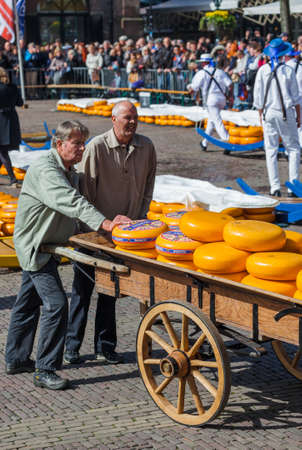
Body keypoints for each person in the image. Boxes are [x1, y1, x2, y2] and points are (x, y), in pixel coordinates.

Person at [5, 120, 130, 390]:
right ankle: (45, 369)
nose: (82, 148)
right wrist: (106, 224)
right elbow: (71, 201)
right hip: (35, 246)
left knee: (27, 303)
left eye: (84, 142)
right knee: (56, 303)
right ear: (59, 144)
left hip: (50, 244)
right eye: (77, 143)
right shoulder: (46, 169)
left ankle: (15, 358)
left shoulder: (68, 170)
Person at [64, 101, 157, 365]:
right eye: (127, 117)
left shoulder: (146, 147)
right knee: (82, 290)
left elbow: (149, 183)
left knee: (110, 292)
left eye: (135, 117)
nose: (132, 122)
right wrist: (98, 225)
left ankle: (105, 346)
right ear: (113, 119)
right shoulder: (96, 147)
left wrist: (141, 217)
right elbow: (86, 192)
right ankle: (72, 346)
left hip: (127, 235)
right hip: (93, 232)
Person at [253, 38, 301, 197]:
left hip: (268, 113)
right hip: (285, 112)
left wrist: (261, 116)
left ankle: (274, 187)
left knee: (271, 150)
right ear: (283, 54)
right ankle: (292, 185)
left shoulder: (262, 70)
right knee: (293, 148)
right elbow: (296, 97)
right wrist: (299, 116)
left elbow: (258, 98)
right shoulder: (288, 71)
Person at [188, 54, 232, 152]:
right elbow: (230, 84)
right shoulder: (220, 72)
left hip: (211, 100)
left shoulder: (201, 73)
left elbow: (194, 87)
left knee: (217, 120)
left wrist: (189, 89)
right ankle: (204, 143)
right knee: (211, 121)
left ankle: (227, 140)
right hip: (222, 99)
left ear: (203, 63)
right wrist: (230, 97)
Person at [0, 67, 23, 188]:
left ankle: (13, 179)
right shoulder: (13, 87)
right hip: (12, 119)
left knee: (2, 152)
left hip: (1, 119)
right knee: (2, 150)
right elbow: (20, 102)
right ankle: (12, 179)